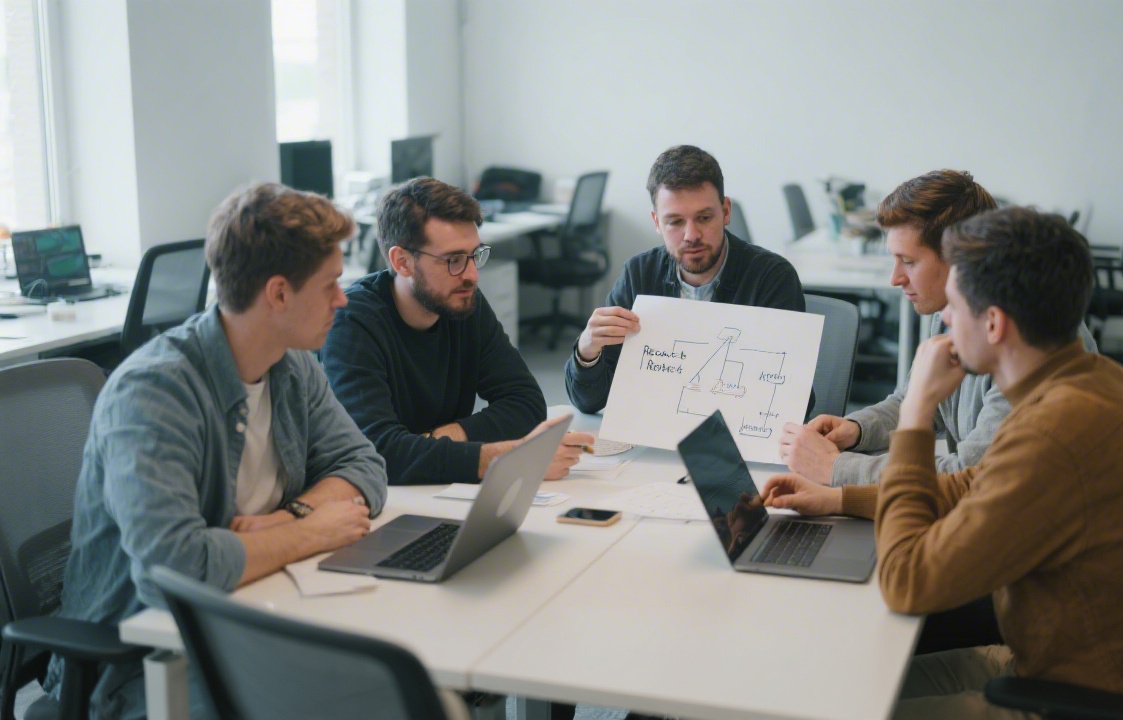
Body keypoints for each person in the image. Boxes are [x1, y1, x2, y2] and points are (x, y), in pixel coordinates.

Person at [763, 207, 1123, 719]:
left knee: (824, 710)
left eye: (955, 306)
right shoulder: (1089, 380)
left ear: (994, 323)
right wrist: (841, 497)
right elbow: (975, 485)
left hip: (1094, 702)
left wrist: (917, 414)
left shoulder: (1053, 433)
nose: (945, 321)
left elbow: (907, 581)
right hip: (1059, 665)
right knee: (830, 689)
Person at [48, 183, 390, 720]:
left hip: (254, 612)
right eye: (329, 284)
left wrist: (287, 517)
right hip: (140, 661)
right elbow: (173, 569)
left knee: (390, 683)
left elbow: (365, 466)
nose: (341, 299)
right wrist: (312, 532)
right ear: (278, 294)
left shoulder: (290, 364)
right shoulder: (154, 393)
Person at [778, 170, 1097, 488]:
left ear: (960, 260)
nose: (895, 278)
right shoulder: (950, 309)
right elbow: (915, 402)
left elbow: (969, 478)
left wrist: (837, 467)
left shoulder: (1028, 343)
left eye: (909, 261)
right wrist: (856, 429)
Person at [322, 177, 592, 485]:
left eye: (475, 255)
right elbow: (378, 452)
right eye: (453, 260)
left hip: (438, 487)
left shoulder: (462, 302)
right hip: (381, 497)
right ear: (402, 262)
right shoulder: (352, 323)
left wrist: (444, 437)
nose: (472, 275)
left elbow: (526, 403)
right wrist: (507, 459)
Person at [564, 144, 806, 413]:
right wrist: (587, 352)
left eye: (704, 217)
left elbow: (793, 400)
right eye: (675, 222)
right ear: (657, 222)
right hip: (655, 432)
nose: (691, 235)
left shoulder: (772, 277)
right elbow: (590, 401)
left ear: (726, 211)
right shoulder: (639, 275)